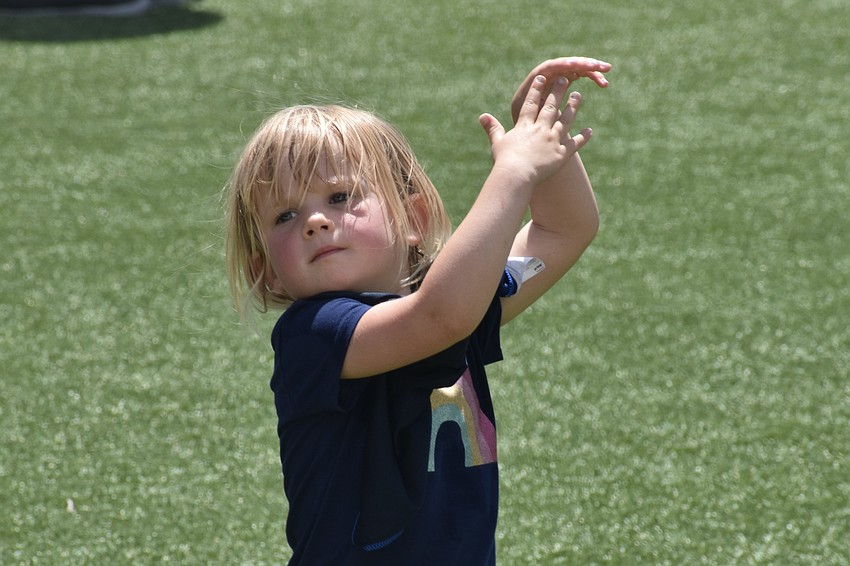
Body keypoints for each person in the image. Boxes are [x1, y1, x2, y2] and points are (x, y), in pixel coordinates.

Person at [224, 56, 611, 565]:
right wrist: (514, 171)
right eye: (286, 215)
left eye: (340, 196)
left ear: (414, 218)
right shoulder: (314, 334)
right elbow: (438, 318)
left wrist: (538, 135)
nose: (315, 220)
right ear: (268, 270)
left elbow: (563, 231)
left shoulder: (459, 296)